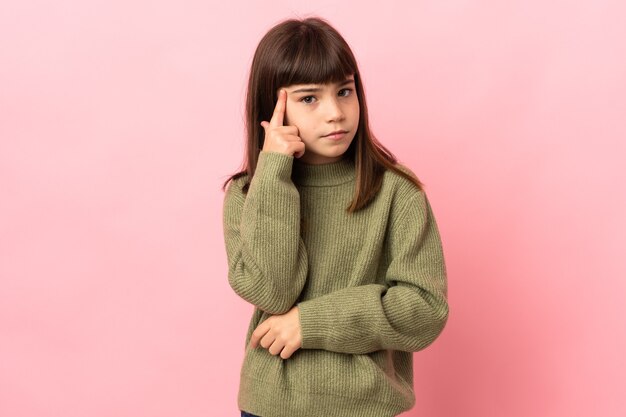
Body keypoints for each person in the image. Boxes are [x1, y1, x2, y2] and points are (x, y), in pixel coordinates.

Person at [221, 16, 449, 417]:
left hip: (366, 407)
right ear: (271, 108)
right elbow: (272, 292)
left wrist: (312, 322)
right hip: (270, 406)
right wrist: (273, 174)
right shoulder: (248, 194)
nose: (335, 113)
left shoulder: (397, 190)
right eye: (309, 98)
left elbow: (425, 310)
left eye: (344, 91)